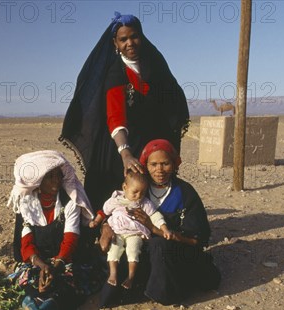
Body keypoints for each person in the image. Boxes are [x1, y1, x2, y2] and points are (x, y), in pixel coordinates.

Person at [60, 12, 189, 213]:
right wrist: (125, 153)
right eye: (123, 39)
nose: (130, 43)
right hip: (118, 145)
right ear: (115, 43)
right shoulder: (115, 71)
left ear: (141, 37)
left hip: (148, 143)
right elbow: (115, 114)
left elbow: (169, 100)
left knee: (147, 194)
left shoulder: (154, 66)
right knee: (115, 195)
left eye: (134, 36)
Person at [106, 139, 220, 306]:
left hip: (173, 252)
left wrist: (154, 228)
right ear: (145, 165)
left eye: (165, 163)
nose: (159, 170)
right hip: (136, 247)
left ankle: (165, 293)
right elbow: (114, 209)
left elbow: (197, 239)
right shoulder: (137, 188)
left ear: (174, 164)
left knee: (159, 245)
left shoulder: (185, 192)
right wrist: (106, 226)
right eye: (153, 164)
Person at [7, 150, 93, 310]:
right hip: (37, 260)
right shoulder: (27, 202)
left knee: (70, 285)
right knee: (30, 279)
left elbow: (71, 238)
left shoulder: (69, 202)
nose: (56, 180)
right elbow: (26, 243)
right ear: (38, 180)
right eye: (49, 176)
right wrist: (40, 264)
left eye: (57, 175)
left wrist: (57, 265)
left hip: (64, 259)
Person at [90, 170, 171, 307]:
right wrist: (96, 222)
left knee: (133, 251)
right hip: (118, 232)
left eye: (142, 192)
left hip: (135, 233)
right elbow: (103, 212)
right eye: (135, 192)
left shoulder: (144, 203)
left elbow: (155, 216)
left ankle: (131, 277)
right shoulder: (116, 200)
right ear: (124, 187)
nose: (138, 196)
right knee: (114, 250)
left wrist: (164, 228)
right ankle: (113, 274)